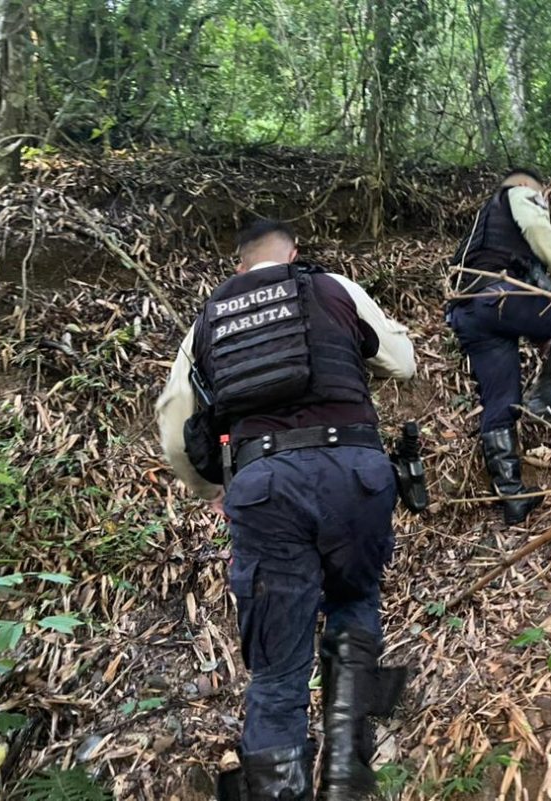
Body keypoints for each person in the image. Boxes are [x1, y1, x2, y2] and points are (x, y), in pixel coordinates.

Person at [156, 219, 416, 801]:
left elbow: (175, 424)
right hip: (356, 474)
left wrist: (211, 489)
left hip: (266, 487)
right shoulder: (334, 289)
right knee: (355, 600)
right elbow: (403, 363)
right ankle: (351, 776)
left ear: (239, 266)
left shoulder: (210, 318)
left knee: (277, 672)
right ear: (294, 254)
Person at [446, 168, 551, 525]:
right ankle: (545, 402)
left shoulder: (479, 231)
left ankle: (513, 496)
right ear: (528, 187)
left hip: (468, 311)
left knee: (501, 400)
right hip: (500, 299)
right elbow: (536, 229)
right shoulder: (519, 193)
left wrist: (537, 325)